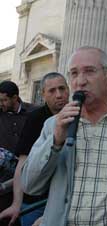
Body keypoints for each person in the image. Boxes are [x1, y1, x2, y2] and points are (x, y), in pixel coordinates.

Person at [20, 46, 107, 226]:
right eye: (73, 73)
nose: (80, 81)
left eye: (89, 71)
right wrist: (55, 141)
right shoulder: (54, 125)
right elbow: (30, 185)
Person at [0, 72, 69, 226]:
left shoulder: (81, 115)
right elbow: (22, 164)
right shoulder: (35, 119)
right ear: (43, 94)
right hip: (36, 202)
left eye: (62, 88)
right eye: (52, 91)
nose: (59, 95)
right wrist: (16, 204)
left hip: (67, 201)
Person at [0, 81, 36, 226]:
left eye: (4, 100)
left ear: (15, 98)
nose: (0, 103)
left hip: (28, 179)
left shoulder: (34, 113)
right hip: (3, 182)